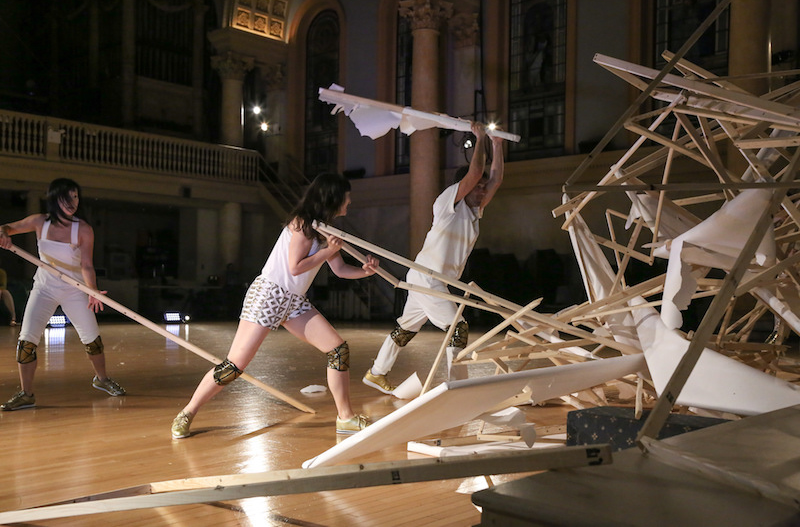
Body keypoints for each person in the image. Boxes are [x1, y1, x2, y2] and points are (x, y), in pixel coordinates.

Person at [171, 172, 379, 439]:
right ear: (333, 197)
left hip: (293, 301)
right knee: (234, 366)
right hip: (269, 294)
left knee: (338, 350)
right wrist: (328, 250)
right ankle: (187, 413)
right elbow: (294, 268)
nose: (349, 203)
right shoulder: (302, 224)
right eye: (346, 198)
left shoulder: (327, 230)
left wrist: (366, 272)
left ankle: (346, 418)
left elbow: (339, 270)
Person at [363, 123, 504, 394]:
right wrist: (481, 139)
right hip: (429, 278)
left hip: (429, 278)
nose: (484, 191)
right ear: (465, 187)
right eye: (479, 188)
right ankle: (458, 386)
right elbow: (475, 172)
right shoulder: (448, 204)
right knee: (458, 328)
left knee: (405, 329)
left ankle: (377, 372)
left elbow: (495, 179)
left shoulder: (475, 212)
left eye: (484, 188)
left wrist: (496, 144)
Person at [0, 178, 126, 411]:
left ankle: (102, 379)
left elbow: (87, 265)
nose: (72, 202)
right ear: (54, 199)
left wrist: (92, 291)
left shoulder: (84, 229)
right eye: (67, 197)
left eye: (76, 196)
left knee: (93, 341)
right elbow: (6, 227)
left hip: (74, 289)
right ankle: (26, 394)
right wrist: (4, 235)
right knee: (26, 343)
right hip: (44, 288)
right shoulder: (40, 221)